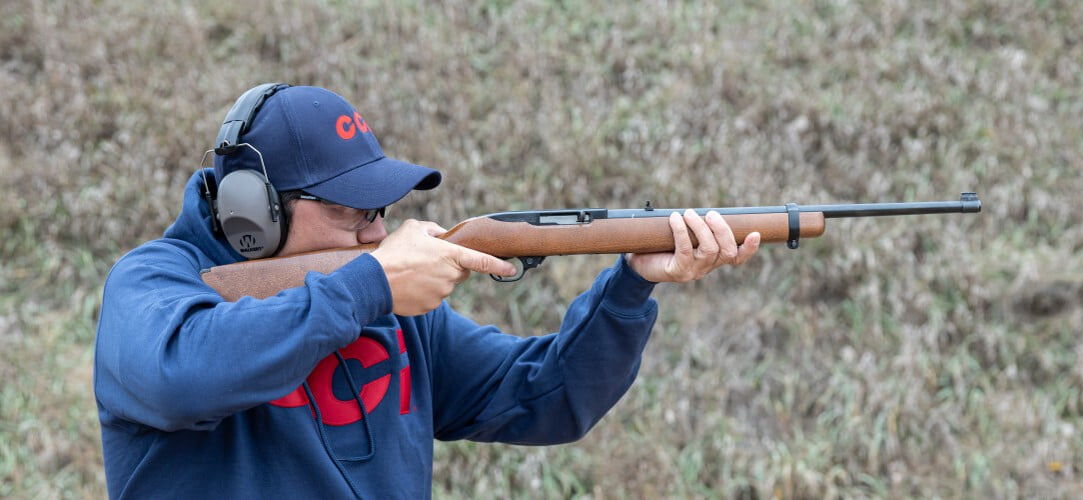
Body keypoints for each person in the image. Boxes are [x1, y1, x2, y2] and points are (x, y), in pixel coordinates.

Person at [93, 85, 761, 499]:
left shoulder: (395, 313)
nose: (378, 231)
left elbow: (548, 398)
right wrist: (367, 287)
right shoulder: (154, 285)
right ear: (252, 215)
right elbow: (179, 376)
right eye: (352, 211)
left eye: (382, 209)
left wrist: (630, 286)